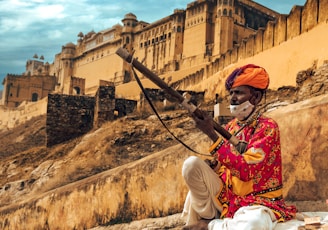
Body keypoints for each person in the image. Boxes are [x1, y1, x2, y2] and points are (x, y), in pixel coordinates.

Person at [181, 64, 297, 230]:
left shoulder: (267, 127)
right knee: (191, 165)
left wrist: (212, 135)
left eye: (239, 92)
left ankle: (210, 226)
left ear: (255, 97)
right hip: (229, 197)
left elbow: (245, 171)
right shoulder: (230, 127)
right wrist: (214, 165)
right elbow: (226, 166)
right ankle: (209, 218)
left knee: (253, 223)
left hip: (258, 201)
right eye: (231, 93)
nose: (232, 98)